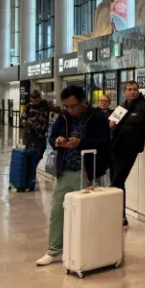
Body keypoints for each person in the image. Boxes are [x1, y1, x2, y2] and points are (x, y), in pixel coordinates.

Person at [36, 85, 111, 266]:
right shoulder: (63, 118)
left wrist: (80, 143)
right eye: (66, 106)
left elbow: (103, 142)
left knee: (83, 215)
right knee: (56, 213)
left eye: (73, 106)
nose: (70, 110)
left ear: (84, 102)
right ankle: (54, 250)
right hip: (63, 172)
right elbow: (52, 137)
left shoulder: (97, 118)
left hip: (86, 173)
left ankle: (83, 251)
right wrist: (57, 141)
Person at [110, 81, 145, 226]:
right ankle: (118, 216)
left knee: (117, 182)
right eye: (129, 89)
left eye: (135, 89)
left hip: (130, 149)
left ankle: (119, 217)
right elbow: (111, 123)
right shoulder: (122, 106)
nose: (132, 92)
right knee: (115, 182)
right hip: (115, 147)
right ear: (125, 92)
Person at [21, 89, 56, 164]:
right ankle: (29, 173)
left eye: (36, 101)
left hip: (41, 136)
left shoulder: (45, 105)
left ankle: (34, 171)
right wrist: (27, 122)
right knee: (27, 156)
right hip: (29, 135)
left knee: (39, 157)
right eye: (33, 101)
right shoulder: (28, 107)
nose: (34, 103)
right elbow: (23, 119)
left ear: (39, 98)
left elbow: (57, 109)